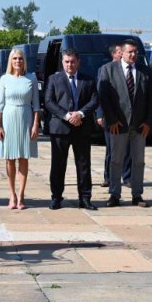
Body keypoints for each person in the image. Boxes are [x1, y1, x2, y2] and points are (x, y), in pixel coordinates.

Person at [98, 39, 152, 208]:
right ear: (121, 52)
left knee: (138, 161)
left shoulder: (145, 71)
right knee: (116, 160)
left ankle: (137, 194)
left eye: (135, 52)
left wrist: (148, 122)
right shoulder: (108, 69)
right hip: (118, 124)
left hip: (139, 125)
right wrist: (111, 119)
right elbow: (104, 97)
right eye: (130, 52)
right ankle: (114, 194)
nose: (133, 55)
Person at [45, 49, 99, 210]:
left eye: (73, 61)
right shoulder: (54, 79)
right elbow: (49, 102)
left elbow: (94, 100)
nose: (70, 65)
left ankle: (85, 198)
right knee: (58, 165)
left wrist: (80, 114)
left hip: (82, 127)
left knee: (83, 164)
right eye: (67, 62)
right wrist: (67, 116)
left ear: (78, 62)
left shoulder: (88, 80)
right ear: (62, 62)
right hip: (60, 128)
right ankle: (56, 197)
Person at [0, 49, 40, 209]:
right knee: (10, 158)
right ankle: (12, 194)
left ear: (24, 61)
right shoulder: (4, 79)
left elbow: (36, 105)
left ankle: (21, 195)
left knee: (23, 158)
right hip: (8, 118)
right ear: (10, 61)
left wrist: (36, 124)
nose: (18, 61)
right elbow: (0, 104)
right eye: (14, 58)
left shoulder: (31, 78)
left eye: (20, 58)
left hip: (26, 118)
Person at [98, 43, 131, 188]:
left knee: (127, 149)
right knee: (112, 150)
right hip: (110, 117)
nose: (122, 54)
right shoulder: (105, 69)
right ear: (113, 54)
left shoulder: (129, 70)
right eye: (119, 52)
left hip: (127, 117)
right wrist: (100, 114)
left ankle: (127, 177)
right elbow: (101, 93)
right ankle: (108, 177)